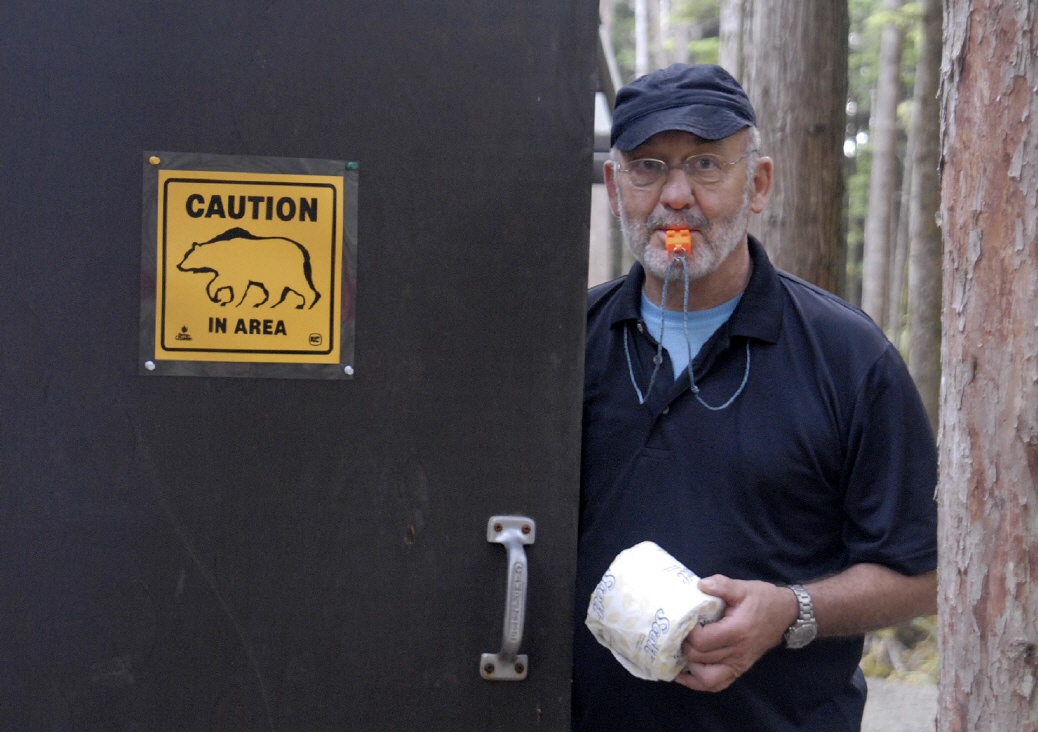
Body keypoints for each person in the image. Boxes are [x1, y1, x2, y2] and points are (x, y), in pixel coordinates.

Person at [573, 63, 938, 731]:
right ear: (615, 188)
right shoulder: (568, 348)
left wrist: (791, 612)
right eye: (648, 167)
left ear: (759, 184)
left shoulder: (848, 358)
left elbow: (923, 572)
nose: (675, 197)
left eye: (706, 165)